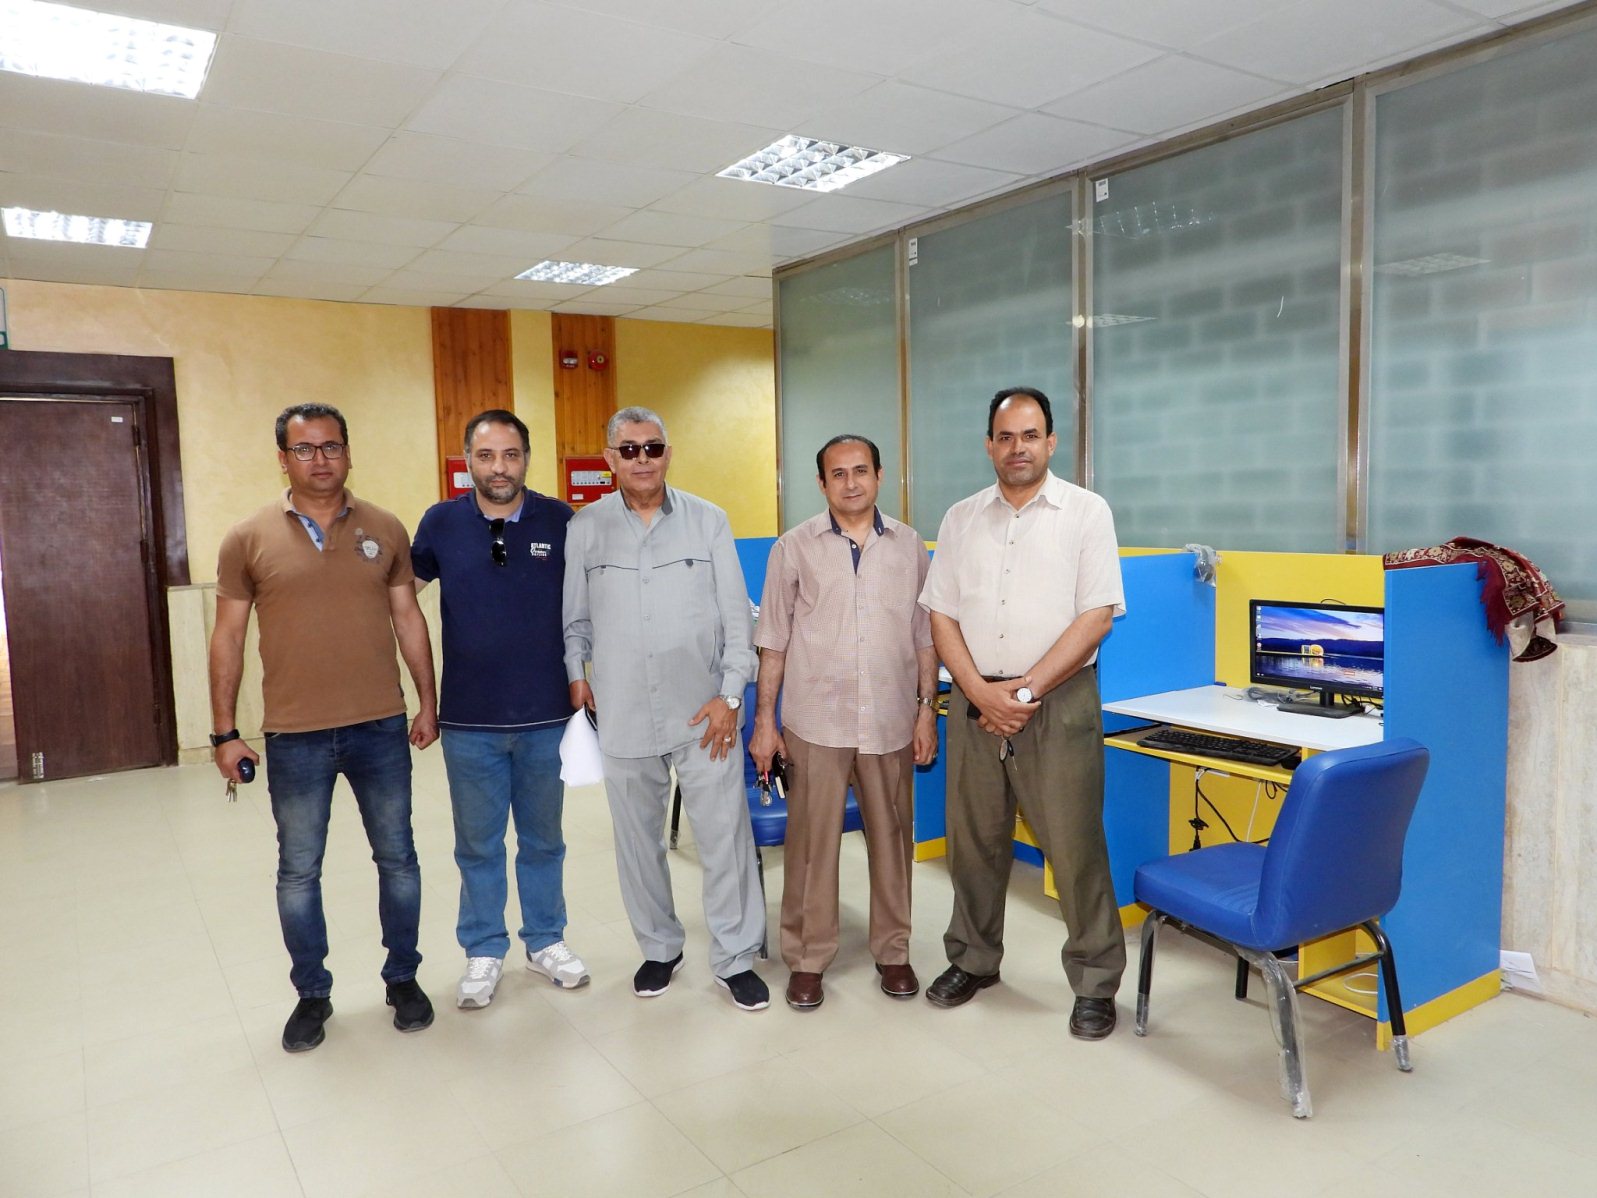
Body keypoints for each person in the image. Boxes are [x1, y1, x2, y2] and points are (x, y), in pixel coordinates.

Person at [209, 402, 439, 1053]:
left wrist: (427, 701)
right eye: (304, 448)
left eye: (331, 446)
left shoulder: (385, 528)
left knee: (398, 860)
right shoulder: (247, 537)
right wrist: (224, 732)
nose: (320, 459)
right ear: (283, 458)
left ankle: (402, 979)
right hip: (295, 735)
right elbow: (227, 636)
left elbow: (408, 618)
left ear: (348, 452)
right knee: (298, 871)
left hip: (380, 728)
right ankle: (312, 994)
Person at [917, 386, 1128, 1040]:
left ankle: (1095, 982)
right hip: (975, 701)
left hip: (1057, 702)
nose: (1018, 448)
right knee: (973, 843)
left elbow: (1096, 616)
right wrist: (979, 692)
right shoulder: (960, 519)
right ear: (989, 445)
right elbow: (941, 613)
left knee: (1074, 847)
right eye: (1005, 437)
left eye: (1030, 435)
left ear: (1050, 442)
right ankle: (973, 960)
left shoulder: (1086, 513)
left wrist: (1026, 692)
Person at [562, 406, 769, 1011]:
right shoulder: (586, 528)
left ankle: (735, 957)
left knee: (725, 840)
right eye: (629, 450)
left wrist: (731, 696)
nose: (643, 459)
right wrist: (577, 677)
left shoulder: (708, 521)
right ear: (610, 459)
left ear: (668, 453)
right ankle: (659, 948)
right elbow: (575, 620)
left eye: (653, 447)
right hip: (623, 713)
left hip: (705, 715)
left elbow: (738, 622)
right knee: (637, 843)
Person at [751, 434, 938, 1010]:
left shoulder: (910, 546)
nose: (851, 482)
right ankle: (807, 958)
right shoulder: (793, 548)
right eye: (838, 473)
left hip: (890, 720)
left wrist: (926, 710)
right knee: (810, 848)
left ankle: (894, 950)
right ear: (822, 483)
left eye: (861, 471)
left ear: (880, 475)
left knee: (893, 842)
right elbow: (773, 641)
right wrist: (765, 722)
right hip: (816, 722)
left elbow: (925, 638)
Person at [411, 409, 588, 1010]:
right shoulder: (440, 523)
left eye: (511, 455)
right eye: (486, 456)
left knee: (544, 841)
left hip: (546, 719)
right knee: (478, 846)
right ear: (468, 461)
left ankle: (546, 940)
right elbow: (399, 597)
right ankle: (484, 949)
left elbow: (590, 603)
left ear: (526, 459)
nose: (499, 468)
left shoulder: (560, 521)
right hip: (470, 722)